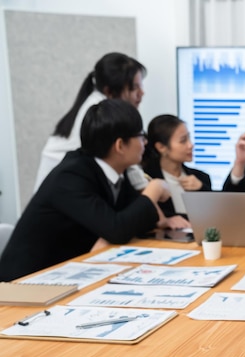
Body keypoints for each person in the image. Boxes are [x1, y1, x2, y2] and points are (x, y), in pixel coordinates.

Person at [0, 99, 171, 282]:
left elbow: (132, 220)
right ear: (120, 145)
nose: (145, 142)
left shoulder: (119, 171)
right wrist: (155, 189)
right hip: (25, 283)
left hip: (71, 274)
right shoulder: (71, 175)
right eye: (140, 135)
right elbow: (118, 229)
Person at [34, 52, 147, 191]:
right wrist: (149, 189)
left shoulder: (101, 105)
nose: (142, 93)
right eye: (134, 88)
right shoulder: (99, 113)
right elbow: (123, 159)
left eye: (141, 86)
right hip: (61, 188)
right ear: (110, 91)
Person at [142, 114, 212, 221]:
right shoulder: (146, 179)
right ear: (161, 147)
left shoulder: (201, 178)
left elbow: (214, 217)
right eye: (183, 141)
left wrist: (202, 189)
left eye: (189, 138)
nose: (190, 145)